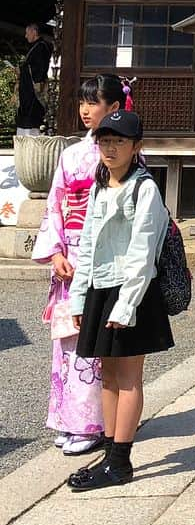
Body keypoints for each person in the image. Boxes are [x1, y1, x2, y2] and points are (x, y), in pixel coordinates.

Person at [67, 110, 173, 490]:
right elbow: (88, 246)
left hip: (133, 291)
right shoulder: (100, 185)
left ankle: (121, 461)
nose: (110, 148)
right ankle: (109, 453)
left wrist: (127, 305)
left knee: (128, 378)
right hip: (100, 286)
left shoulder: (144, 188)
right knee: (107, 374)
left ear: (136, 147)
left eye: (119, 141)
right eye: (105, 140)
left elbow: (143, 253)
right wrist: (79, 299)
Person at [32, 75, 126, 456]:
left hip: (102, 256)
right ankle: (67, 418)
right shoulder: (72, 154)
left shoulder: (124, 153)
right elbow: (56, 203)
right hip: (69, 255)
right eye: (82, 102)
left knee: (94, 340)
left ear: (115, 108)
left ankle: (92, 423)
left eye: (94, 102)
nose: (86, 110)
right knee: (67, 340)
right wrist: (55, 252)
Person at [15, 22, 52, 135]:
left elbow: (39, 68)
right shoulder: (35, 47)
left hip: (33, 90)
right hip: (26, 90)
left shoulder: (42, 46)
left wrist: (23, 70)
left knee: (32, 114)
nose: (26, 36)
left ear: (34, 32)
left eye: (27, 33)